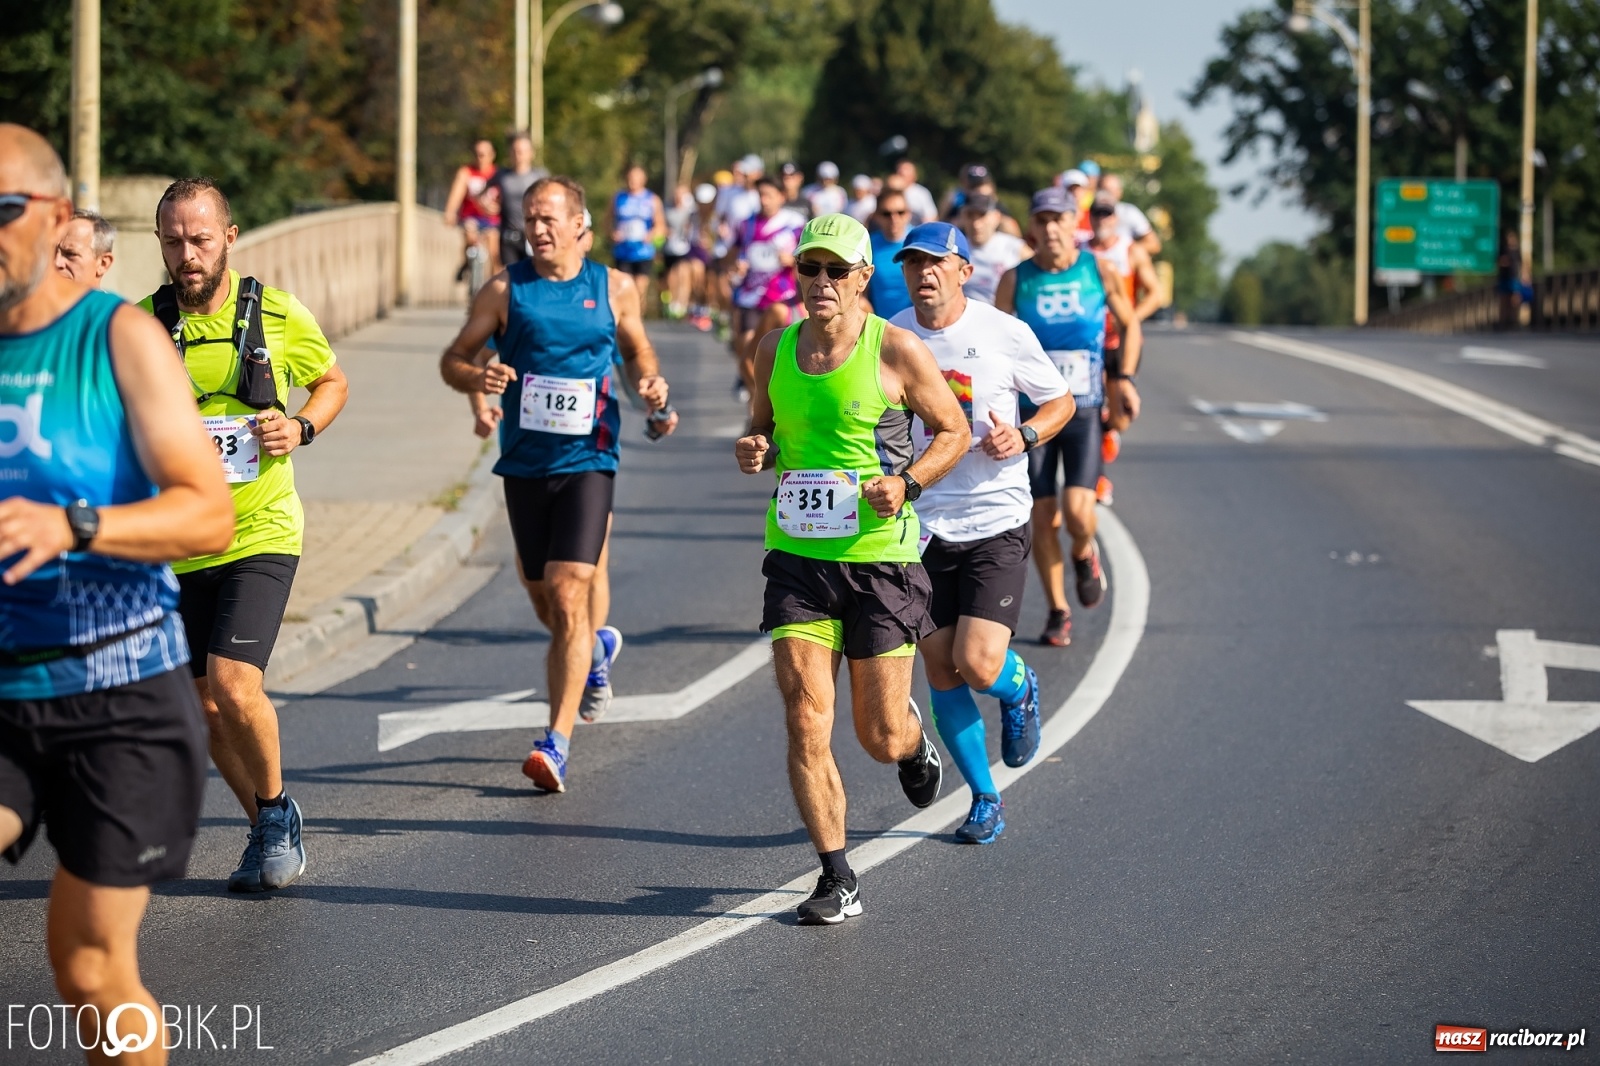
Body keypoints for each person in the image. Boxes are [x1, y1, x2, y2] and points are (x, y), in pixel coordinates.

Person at [0, 124, 235, 1066]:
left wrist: (75, 526)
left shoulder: (119, 338)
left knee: (92, 975)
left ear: (55, 216)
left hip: (120, 694)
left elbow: (206, 514)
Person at [735, 212, 970, 924]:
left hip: (880, 562)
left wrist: (909, 484)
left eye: (838, 270)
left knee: (876, 736)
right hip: (799, 558)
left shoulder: (895, 350)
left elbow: (953, 431)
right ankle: (837, 875)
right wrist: (756, 449)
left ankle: (910, 744)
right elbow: (764, 428)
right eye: (811, 268)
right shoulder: (772, 346)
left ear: (864, 278)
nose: (822, 283)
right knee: (807, 717)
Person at [142, 177, 350, 892]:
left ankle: (270, 816)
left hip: (259, 530)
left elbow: (332, 382)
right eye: (173, 241)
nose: (187, 254)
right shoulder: (141, 328)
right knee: (199, 706)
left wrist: (300, 426)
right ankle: (272, 818)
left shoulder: (278, 315)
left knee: (232, 685)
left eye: (200, 238)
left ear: (230, 236)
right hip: (177, 541)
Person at [440, 176, 676, 792]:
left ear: (580, 226)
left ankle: (557, 742)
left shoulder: (614, 287)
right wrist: (477, 380)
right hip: (523, 463)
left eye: (550, 218)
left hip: (589, 457)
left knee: (571, 591)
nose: (538, 229)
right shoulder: (504, 290)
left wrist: (650, 384)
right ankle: (593, 653)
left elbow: (638, 352)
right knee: (544, 595)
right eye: (530, 218)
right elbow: (454, 358)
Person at [889, 222, 1074, 844]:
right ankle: (985, 798)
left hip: (994, 516)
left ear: (965, 270)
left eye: (936, 263)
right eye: (913, 264)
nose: (923, 274)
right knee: (940, 669)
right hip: (920, 526)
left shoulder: (1004, 332)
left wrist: (1023, 434)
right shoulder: (890, 335)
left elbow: (1060, 402)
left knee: (977, 660)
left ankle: (1019, 687)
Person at [996, 188, 1141, 648]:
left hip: (1084, 408)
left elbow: (1130, 323)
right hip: (1032, 413)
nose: (1052, 228)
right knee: (1042, 517)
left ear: (1072, 223)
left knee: (1079, 513)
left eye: (1060, 219)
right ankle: (1058, 610)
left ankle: (1084, 551)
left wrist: (1126, 378)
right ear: (1033, 227)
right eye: (1043, 220)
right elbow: (997, 344)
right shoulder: (1016, 279)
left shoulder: (1098, 269)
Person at [1087, 195, 1162, 504]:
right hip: (1089, 344)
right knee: (1089, 410)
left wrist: (1130, 319)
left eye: (1107, 215)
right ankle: (1098, 478)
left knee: (1120, 416)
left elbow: (1155, 294)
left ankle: (1108, 430)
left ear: (1116, 218)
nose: (1102, 220)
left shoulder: (1131, 251)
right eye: (1097, 214)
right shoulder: (1081, 253)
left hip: (1122, 342)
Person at [730, 177, 806, 398]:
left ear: (781, 197)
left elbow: (809, 259)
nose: (764, 200)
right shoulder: (747, 224)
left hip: (781, 297)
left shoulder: (795, 224)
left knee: (776, 356)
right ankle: (756, 407)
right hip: (750, 298)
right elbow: (734, 255)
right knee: (748, 351)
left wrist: (792, 260)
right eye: (760, 195)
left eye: (769, 195)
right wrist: (736, 266)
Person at [444, 139, 503, 278]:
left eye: (483, 154)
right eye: (477, 154)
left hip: (492, 220)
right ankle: (467, 263)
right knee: (469, 234)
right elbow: (456, 194)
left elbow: (504, 199)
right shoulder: (466, 172)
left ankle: (496, 284)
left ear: (492, 155)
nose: (480, 158)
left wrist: (497, 208)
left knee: (494, 248)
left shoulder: (498, 174)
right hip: (471, 217)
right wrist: (450, 212)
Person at [958, 192, 1032, 305]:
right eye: (970, 216)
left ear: (996, 217)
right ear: (963, 217)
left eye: (982, 216)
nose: (976, 224)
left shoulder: (1015, 247)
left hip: (1005, 316)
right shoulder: (955, 249)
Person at [608, 164, 666, 304]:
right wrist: (612, 233)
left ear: (643, 179)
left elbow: (661, 226)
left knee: (639, 288)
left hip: (643, 251)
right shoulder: (618, 198)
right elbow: (607, 221)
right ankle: (626, 321)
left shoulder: (652, 199)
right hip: (623, 251)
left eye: (636, 178)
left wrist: (651, 235)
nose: (632, 181)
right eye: (630, 178)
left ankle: (638, 318)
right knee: (624, 287)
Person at [492, 131, 550, 268]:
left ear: (531, 153)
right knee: (510, 276)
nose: (519, 155)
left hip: (534, 234)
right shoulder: (501, 176)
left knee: (535, 274)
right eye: (515, 151)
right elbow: (485, 195)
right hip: (509, 234)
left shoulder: (540, 176)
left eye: (523, 151)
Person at [862, 188, 913, 319]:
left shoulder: (920, 244)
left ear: (909, 214)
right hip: (882, 327)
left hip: (917, 326)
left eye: (900, 212)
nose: (894, 218)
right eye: (886, 213)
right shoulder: (868, 246)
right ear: (876, 216)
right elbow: (861, 294)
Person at [1098, 173, 1161, 256]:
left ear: (1120, 192)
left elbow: (1154, 245)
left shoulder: (1129, 212)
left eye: (1112, 191)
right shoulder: (1085, 211)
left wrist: (1124, 251)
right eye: (1104, 190)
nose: (1108, 195)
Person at [54, 207, 115, 286]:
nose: (56, 263)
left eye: (70, 254)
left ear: (103, 264)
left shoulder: (115, 299)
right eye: (51, 253)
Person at [893, 159, 938, 224]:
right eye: (900, 169)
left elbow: (931, 216)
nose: (902, 171)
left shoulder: (922, 193)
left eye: (907, 169)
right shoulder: (889, 191)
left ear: (914, 175)